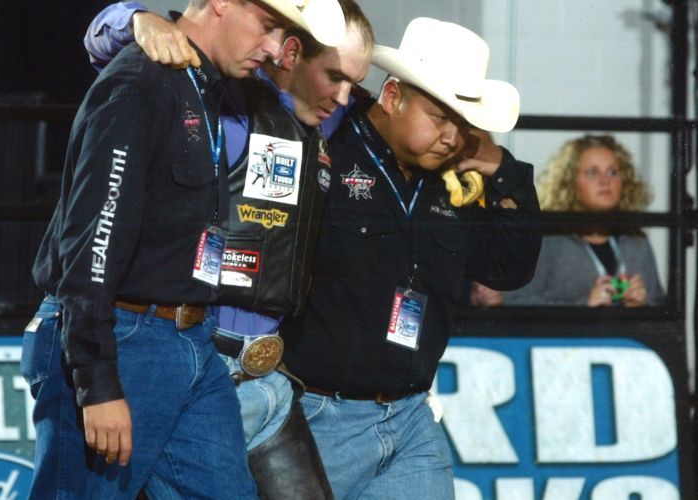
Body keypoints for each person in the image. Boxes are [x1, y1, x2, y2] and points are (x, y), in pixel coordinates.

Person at [19, 0, 345, 498]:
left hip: (189, 342)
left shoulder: (209, 87)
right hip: (120, 340)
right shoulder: (142, 83)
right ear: (220, 3)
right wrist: (98, 380)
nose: (277, 49)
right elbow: (93, 242)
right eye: (269, 25)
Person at [280, 18, 541, 499]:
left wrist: (506, 172)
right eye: (440, 117)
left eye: (462, 125)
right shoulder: (326, 145)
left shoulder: (456, 182)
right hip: (319, 412)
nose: (451, 136)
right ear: (393, 97)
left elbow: (508, 269)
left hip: (412, 415)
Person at [500, 134, 665, 307]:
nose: (605, 180)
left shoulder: (637, 242)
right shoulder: (547, 241)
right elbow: (515, 302)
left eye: (613, 172)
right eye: (592, 172)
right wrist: (583, 307)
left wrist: (644, 304)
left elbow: (663, 309)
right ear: (569, 182)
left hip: (626, 335)